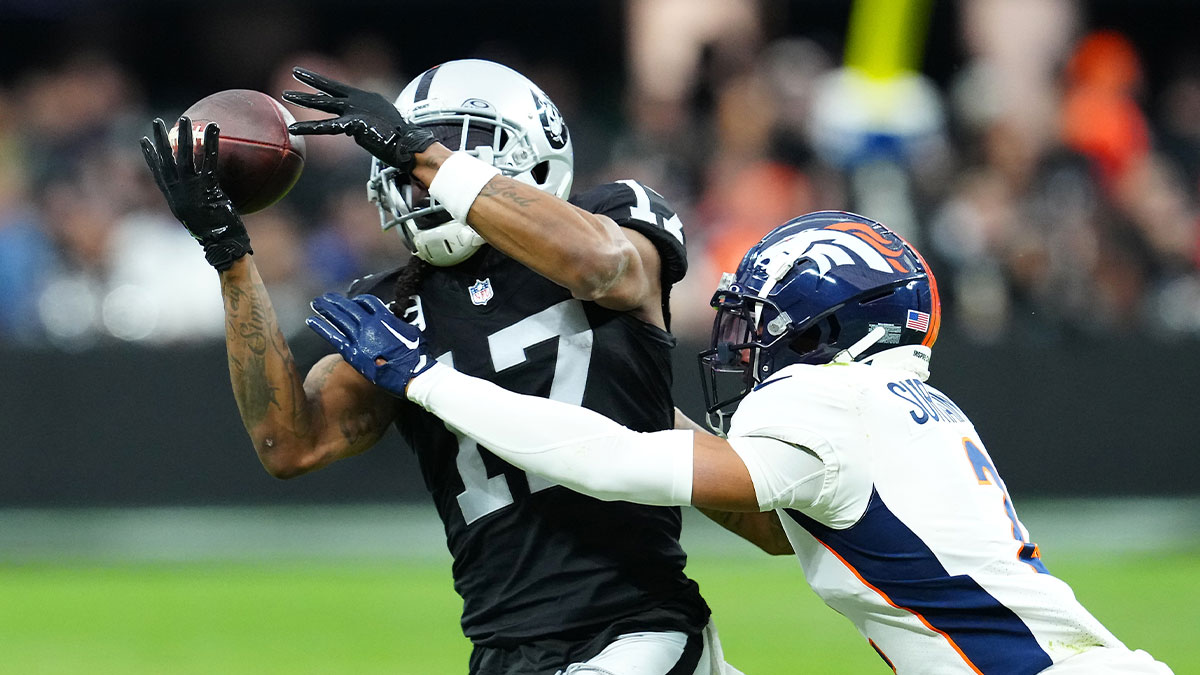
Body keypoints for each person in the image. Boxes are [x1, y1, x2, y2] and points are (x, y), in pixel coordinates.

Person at [308, 210, 1176, 674]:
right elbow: (756, 513)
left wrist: (428, 380)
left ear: (826, 322)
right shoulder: (905, 401)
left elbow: (613, 465)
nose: (745, 344)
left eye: (763, 320)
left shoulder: (822, 402)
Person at [140, 60, 766, 675]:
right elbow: (291, 444)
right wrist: (228, 253)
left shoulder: (614, 216)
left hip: (632, 632)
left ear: (536, 151)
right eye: (403, 161)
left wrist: (420, 151)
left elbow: (598, 264)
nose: (418, 178)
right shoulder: (393, 303)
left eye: (460, 149)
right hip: (503, 644)